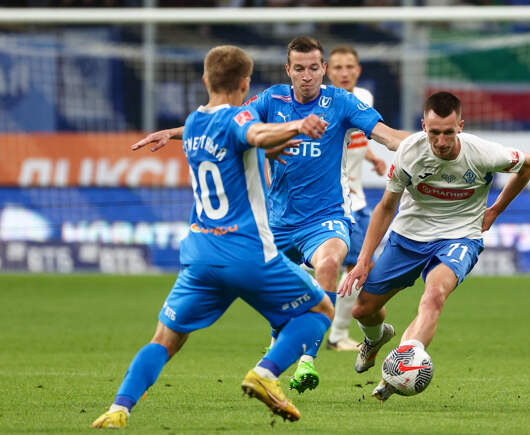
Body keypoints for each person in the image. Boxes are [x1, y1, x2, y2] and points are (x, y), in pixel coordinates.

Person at [133, 36, 409, 394]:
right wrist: (172, 133)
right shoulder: (271, 99)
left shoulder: (341, 102)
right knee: (276, 291)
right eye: (300, 69)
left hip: (325, 217)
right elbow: (225, 125)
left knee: (329, 264)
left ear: (323, 69)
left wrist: (424, 144)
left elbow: (387, 137)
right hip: (276, 222)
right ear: (288, 70)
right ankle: (280, 343)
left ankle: (307, 359)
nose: (307, 75)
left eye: (314, 68)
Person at [90, 45, 335, 429]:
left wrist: (266, 149)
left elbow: (240, 144)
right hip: (247, 253)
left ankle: (119, 409)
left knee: (164, 339)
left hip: (201, 255)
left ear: (205, 80)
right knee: (320, 311)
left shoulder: (193, 123)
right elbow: (253, 132)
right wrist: (296, 126)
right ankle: (266, 373)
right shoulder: (239, 117)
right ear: (245, 84)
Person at [339, 91, 530, 402]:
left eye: (448, 132)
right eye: (434, 132)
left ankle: (396, 374)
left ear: (460, 126)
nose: (441, 141)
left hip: (460, 237)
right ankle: (375, 340)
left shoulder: (483, 153)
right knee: (363, 309)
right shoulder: (409, 151)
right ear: (423, 126)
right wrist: (364, 260)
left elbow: (529, 166)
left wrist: (496, 209)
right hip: (409, 236)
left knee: (434, 296)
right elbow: (386, 207)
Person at [325, 45, 387, 351]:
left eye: (349, 66)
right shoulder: (320, 104)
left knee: (357, 270)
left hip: (357, 200)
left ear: (358, 70)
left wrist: (372, 157)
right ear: (327, 71)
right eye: (338, 67)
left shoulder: (364, 98)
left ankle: (336, 334)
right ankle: (332, 334)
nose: (344, 72)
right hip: (332, 202)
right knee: (343, 269)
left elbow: (356, 134)